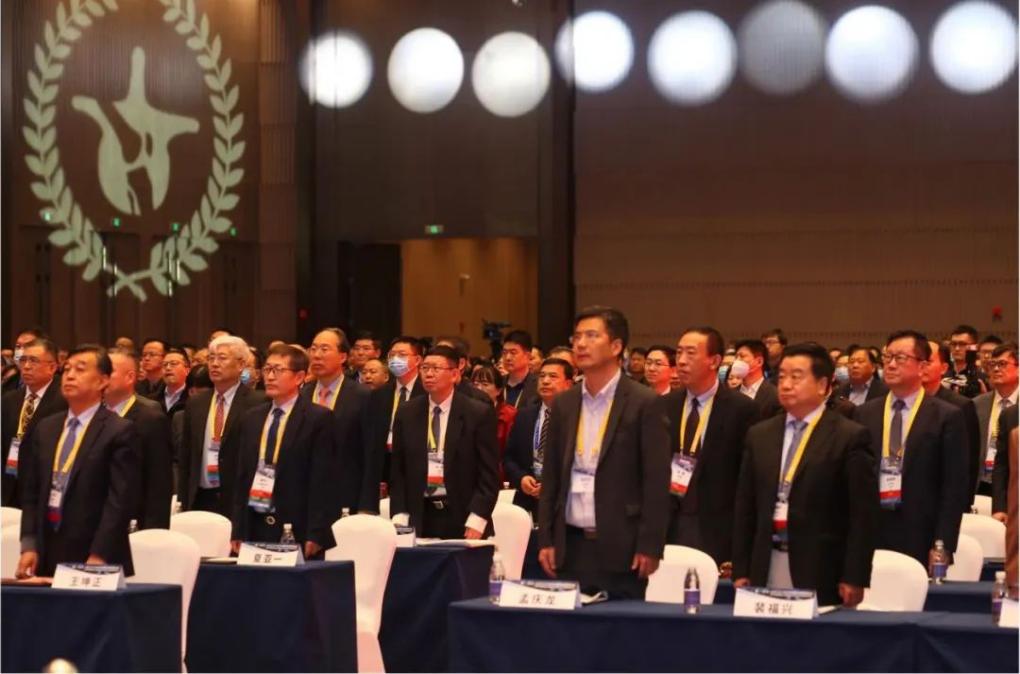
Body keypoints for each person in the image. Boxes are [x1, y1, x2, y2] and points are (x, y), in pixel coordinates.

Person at [537, 306, 671, 599]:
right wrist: (546, 537)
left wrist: (650, 545)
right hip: (570, 544)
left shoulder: (644, 402)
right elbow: (551, 477)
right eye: (577, 337)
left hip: (622, 547)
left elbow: (656, 481)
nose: (581, 344)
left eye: (591, 336)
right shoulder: (565, 403)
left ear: (616, 346)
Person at [733, 342, 877, 607]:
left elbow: (862, 515)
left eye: (796, 377)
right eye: (782, 377)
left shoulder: (849, 436)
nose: (786, 385)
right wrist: (741, 568)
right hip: (765, 562)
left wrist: (854, 576)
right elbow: (745, 506)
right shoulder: (760, 434)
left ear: (822, 385)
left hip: (821, 567)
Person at [16, 345, 139, 577]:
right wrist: (29, 545)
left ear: (103, 381)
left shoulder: (119, 430)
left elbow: (119, 501)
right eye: (67, 369)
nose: (70, 375)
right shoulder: (46, 428)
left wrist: (99, 555)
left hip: (95, 555)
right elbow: (31, 492)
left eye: (80, 369)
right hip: (47, 551)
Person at [854, 331, 969, 568]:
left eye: (900, 358)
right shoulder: (864, 413)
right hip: (871, 530)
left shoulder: (946, 416)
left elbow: (954, 488)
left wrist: (942, 545)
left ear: (922, 367)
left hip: (920, 533)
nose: (891, 365)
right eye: (888, 357)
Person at [662, 327, 758, 570]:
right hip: (668, 523)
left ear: (714, 361)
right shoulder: (663, 406)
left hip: (717, 528)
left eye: (690, 353)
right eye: (679, 352)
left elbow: (747, 478)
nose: (681, 360)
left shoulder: (742, 409)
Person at [231, 345, 335, 558]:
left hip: (297, 523)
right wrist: (238, 528)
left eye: (278, 370)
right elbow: (242, 475)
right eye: (267, 369)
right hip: (255, 516)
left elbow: (323, 479)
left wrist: (316, 532)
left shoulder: (317, 418)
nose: (270, 377)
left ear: (299, 377)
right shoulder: (252, 417)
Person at [390, 345, 499, 539]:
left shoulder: (477, 413)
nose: (429, 374)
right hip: (420, 514)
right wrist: (399, 514)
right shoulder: (407, 412)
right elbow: (398, 470)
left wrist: (478, 518)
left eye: (436, 368)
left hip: (464, 515)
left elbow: (488, 474)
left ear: (455, 374)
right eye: (425, 368)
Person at [179, 335, 266, 516]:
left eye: (222, 358)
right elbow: (187, 456)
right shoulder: (196, 403)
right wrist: (183, 500)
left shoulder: (258, 402)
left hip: (238, 499)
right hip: (200, 496)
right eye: (211, 358)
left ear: (241, 364)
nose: (214, 364)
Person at [303, 328, 370, 514]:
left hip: (347, 495)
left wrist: (367, 506)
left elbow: (370, 454)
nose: (317, 355)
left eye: (324, 349)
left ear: (342, 356)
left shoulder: (363, 396)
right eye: (313, 349)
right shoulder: (302, 394)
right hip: (306, 495)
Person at [105, 349, 172, 529]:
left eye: (109, 371)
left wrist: (153, 531)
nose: (102, 376)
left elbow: (159, 483)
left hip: (134, 521)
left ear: (130, 377)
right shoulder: (93, 414)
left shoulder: (150, 418)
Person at [359, 337, 426, 512]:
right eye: (392, 355)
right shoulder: (379, 394)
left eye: (402, 355)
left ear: (417, 360)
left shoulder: (426, 392)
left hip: (414, 467)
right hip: (384, 465)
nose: (395, 360)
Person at [503, 358, 574, 515]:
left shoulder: (577, 419)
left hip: (564, 504)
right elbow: (509, 457)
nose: (545, 381)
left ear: (568, 384)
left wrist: (552, 485)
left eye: (553, 376)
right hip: (527, 502)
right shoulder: (524, 415)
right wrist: (521, 478)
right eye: (542, 376)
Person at [1, 339, 67, 507]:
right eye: (23, 360)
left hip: (43, 489)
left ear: (52, 367)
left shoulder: (65, 400)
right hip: (9, 485)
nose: (26, 366)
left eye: (34, 361)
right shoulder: (9, 399)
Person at [923, 341, 981, 504]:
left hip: (944, 499)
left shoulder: (960, 406)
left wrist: (963, 505)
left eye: (928, 361)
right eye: (919, 361)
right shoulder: (903, 403)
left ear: (943, 368)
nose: (922, 366)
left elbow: (968, 463)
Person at [974, 343, 1018, 499]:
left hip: (1014, 485)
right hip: (981, 485)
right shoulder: (977, 404)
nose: (996, 369)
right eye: (993, 364)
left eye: (1002, 364)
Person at [470, 363, 518, 483]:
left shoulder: (509, 415)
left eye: (485, 384)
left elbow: (511, 454)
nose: (479, 388)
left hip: (500, 476)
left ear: (499, 390)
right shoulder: (465, 411)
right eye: (476, 384)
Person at [735, 339, 783, 420]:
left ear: (759, 361)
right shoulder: (730, 393)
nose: (737, 361)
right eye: (736, 357)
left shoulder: (775, 395)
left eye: (742, 356)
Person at [502, 330, 539, 409]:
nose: (507, 358)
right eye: (504, 352)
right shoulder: (498, 383)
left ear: (528, 356)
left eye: (513, 352)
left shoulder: (538, 385)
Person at [160, 348, 190, 416]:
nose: (168, 368)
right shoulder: (152, 400)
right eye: (164, 364)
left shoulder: (193, 400)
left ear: (187, 370)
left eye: (173, 364)